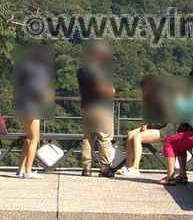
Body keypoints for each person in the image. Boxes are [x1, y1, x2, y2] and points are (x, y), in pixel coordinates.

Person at [118, 75, 177, 177]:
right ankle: (127, 166)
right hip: (154, 126)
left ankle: (136, 167)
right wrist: (148, 125)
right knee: (130, 134)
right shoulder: (148, 97)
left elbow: (165, 119)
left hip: (166, 128)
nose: (143, 91)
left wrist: (149, 126)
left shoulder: (162, 97)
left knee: (137, 137)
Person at [76, 40, 116, 177]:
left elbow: (81, 91)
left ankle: (86, 168)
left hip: (86, 107)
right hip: (101, 108)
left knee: (88, 138)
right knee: (105, 137)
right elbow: (100, 88)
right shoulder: (97, 70)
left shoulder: (81, 70)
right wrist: (111, 90)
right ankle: (105, 168)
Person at [14, 45, 54, 179]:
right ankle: (28, 171)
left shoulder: (24, 67)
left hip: (21, 103)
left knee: (28, 137)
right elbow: (38, 89)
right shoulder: (40, 70)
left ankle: (21, 169)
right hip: (32, 105)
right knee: (34, 138)